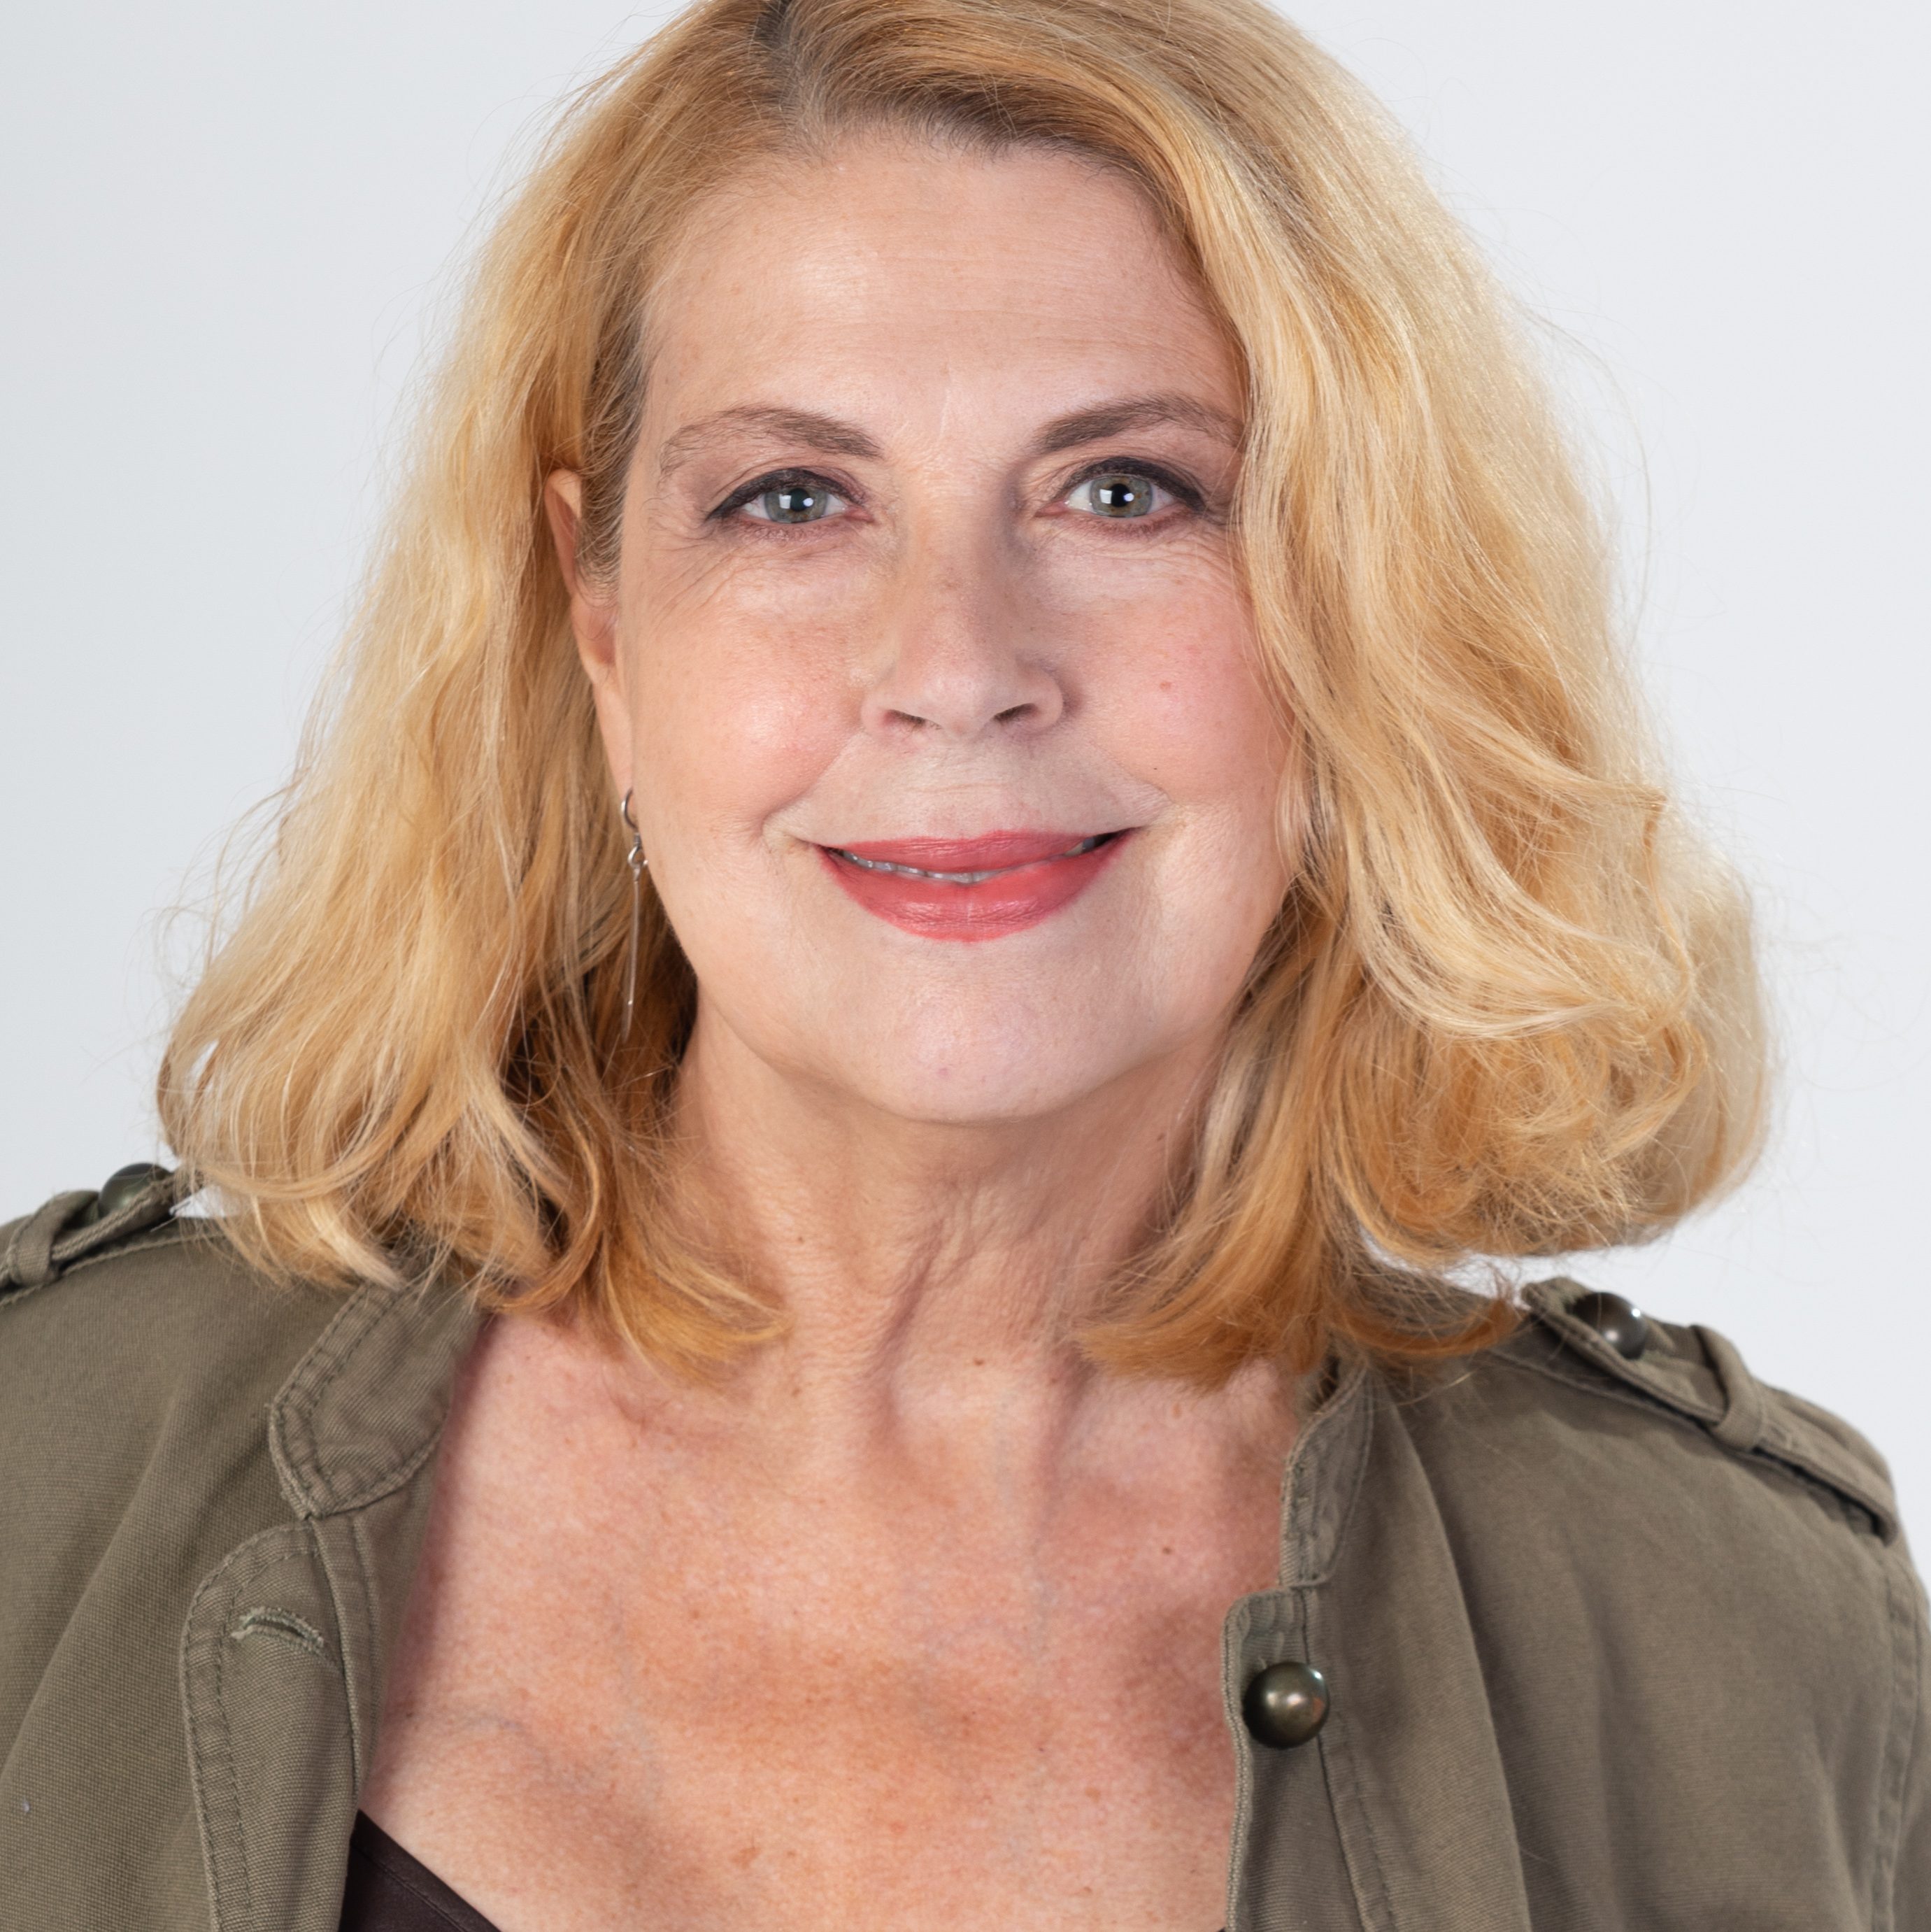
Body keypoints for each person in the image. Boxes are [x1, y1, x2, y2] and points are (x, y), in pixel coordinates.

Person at [3, 0, 1925, 1924]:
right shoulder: (42, 1460)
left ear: (1361, 602)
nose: (955, 665)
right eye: (793, 498)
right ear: (600, 622)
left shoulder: (1747, 1649)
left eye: (1125, 489)